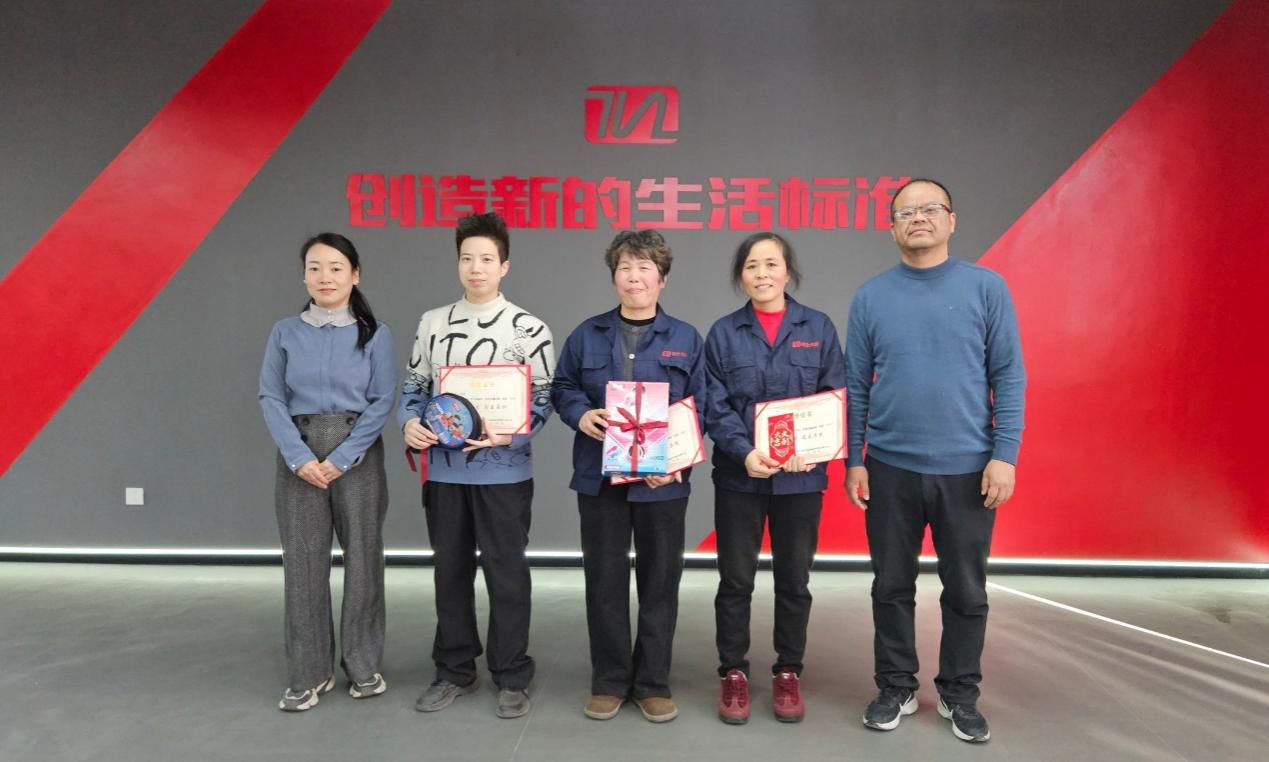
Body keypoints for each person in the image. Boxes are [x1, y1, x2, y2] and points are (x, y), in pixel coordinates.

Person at [845, 179, 1025, 743]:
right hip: (889, 466)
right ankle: (895, 685)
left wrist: (1005, 454)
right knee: (890, 585)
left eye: (930, 209)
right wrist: (855, 459)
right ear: (891, 227)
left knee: (967, 590)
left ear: (951, 220)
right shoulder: (871, 296)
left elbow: (1008, 375)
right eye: (906, 212)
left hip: (968, 469)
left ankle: (959, 693)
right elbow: (856, 385)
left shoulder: (986, 288)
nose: (918, 218)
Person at [399, 212, 555, 719]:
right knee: (450, 571)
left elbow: (545, 397)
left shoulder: (529, 328)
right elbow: (414, 389)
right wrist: (409, 424)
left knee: (507, 573)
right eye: (467, 258)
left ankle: (511, 673)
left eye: (487, 259)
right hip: (445, 472)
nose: (476, 268)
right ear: (458, 263)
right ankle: (454, 669)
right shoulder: (432, 323)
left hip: (505, 472)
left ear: (504, 266)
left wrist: (513, 431)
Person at [551, 230, 706, 724]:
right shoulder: (587, 334)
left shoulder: (686, 338)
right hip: (600, 478)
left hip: (664, 485)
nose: (634, 277)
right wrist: (581, 414)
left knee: (661, 581)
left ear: (662, 278)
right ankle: (610, 679)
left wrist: (676, 462)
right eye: (624, 268)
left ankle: (653, 682)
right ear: (613, 276)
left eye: (644, 268)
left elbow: (701, 406)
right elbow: (562, 387)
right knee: (605, 579)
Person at [703, 233, 844, 724]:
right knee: (735, 580)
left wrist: (814, 450)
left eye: (771, 264)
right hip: (739, 477)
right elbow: (714, 404)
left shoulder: (817, 327)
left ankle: (788, 671)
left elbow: (834, 396)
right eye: (751, 265)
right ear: (740, 275)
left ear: (788, 271)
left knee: (794, 579)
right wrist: (743, 452)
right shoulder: (723, 333)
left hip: (800, 481)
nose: (761, 273)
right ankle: (733, 673)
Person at [258, 233, 396, 712]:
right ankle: (309, 672)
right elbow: (270, 396)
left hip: (357, 453)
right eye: (314, 268)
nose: (325, 277)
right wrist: (299, 457)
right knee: (302, 564)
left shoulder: (375, 334)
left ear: (355, 275)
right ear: (304, 276)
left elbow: (382, 400)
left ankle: (363, 664)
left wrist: (343, 457)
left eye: (336, 268)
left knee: (364, 559)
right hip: (298, 455)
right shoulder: (284, 332)